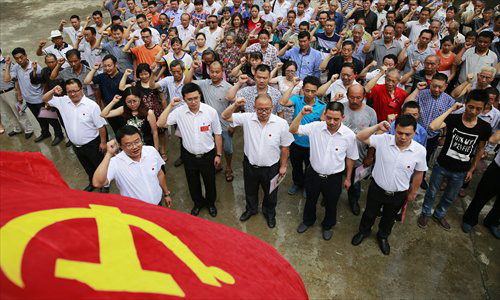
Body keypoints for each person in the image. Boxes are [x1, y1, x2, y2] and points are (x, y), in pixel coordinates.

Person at [352, 115, 427, 255]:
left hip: (398, 194)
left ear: (415, 133)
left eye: (407, 134)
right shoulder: (383, 140)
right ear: (394, 129)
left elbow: (419, 173)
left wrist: (413, 192)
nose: (403, 137)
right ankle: (363, 232)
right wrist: (377, 127)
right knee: (369, 213)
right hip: (377, 189)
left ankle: (382, 236)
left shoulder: (420, 151)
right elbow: (360, 137)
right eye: (399, 133)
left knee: (389, 217)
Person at [418, 90, 492, 231]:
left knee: (449, 197)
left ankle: (439, 215)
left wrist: (472, 169)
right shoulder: (453, 119)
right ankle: (425, 212)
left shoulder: (485, 127)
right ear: (465, 104)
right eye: (471, 107)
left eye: (478, 109)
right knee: (432, 192)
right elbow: (433, 126)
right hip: (442, 165)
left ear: (483, 109)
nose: (473, 111)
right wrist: (452, 109)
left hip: (461, 170)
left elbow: (480, 149)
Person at [221, 94, 293, 228]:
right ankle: (251, 209)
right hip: (250, 165)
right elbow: (225, 116)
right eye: (260, 109)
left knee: (271, 193)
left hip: (272, 167)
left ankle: (269, 213)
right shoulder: (247, 118)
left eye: (267, 109)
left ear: (272, 108)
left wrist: (283, 166)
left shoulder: (281, 123)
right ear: (254, 108)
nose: (264, 112)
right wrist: (236, 105)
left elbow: (285, 147)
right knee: (250, 190)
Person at [291, 101, 359, 241]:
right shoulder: (315, 127)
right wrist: (302, 114)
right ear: (324, 115)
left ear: (342, 118)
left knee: (331, 203)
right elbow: (293, 129)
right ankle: (308, 221)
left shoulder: (349, 135)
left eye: (336, 119)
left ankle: (327, 226)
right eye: (329, 118)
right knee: (310, 199)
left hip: (334, 177)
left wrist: (348, 177)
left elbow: (351, 158)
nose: (331, 122)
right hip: (313, 174)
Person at [157, 83, 222, 217]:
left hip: (208, 155)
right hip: (189, 155)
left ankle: (210, 204)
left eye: (196, 98)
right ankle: (197, 203)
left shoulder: (210, 111)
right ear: (184, 99)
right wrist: (170, 105)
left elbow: (217, 134)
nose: (193, 102)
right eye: (189, 99)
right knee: (192, 182)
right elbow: (160, 123)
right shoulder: (179, 112)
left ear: (200, 96)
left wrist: (218, 154)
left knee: (210, 182)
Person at [42, 79, 107, 192]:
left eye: (75, 91)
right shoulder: (63, 101)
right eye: (69, 92)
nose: (72, 94)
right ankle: (92, 182)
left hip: (92, 144)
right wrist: (53, 90)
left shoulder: (92, 106)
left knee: (99, 166)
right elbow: (44, 99)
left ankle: (104, 184)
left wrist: (103, 142)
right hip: (76, 145)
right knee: (87, 166)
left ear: (81, 89)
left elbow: (101, 127)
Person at [92, 125, 173, 206]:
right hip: (136, 211)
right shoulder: (115, 163)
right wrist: (109, 154)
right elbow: (97, 183)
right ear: (120, 145)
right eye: (128, 145)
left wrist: (166, 194)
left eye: (137, 141)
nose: (135, 147)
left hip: (158, 204)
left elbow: (159, 173)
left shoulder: (151, 151)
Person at [184, 59, 234, 180]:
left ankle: (228, 167)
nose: (214, 74)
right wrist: (192, 68)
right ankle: (217, 164)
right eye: (212, 72)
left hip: (224, 125)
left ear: (222, 72)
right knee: (212, 147)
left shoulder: (229, 87)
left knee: (228, 148)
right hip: (207, 125)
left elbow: (234, 107)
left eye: (217, 72)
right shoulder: (204, 84)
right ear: (208, 71)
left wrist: (232, 124)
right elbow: (187, 82)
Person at [404, 73, 455, 189]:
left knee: (425, 159)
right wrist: (417, 89)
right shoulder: (421, 94)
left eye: (440, 87)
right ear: (430, 84)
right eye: (434, 86)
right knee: (409, 157)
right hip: (416, 134)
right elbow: (406, 104)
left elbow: (449, 120)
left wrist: (444, 136)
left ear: (446, 86)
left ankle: (420, 178)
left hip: (433, 137)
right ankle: (407, 178)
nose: (436, 89)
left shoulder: (449, 101)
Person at [4, 48, 64, 144]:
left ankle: (59, 135)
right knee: (40, 119)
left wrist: (46, 99)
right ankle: (45, 133)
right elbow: (8, 80)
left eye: (21, 57)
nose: (20, 60)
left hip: (40, 99)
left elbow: (44, 83)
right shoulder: (16, 67)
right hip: (29, 100)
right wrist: (7, 65)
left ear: (26, 56)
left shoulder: (36, 67)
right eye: (17, 58)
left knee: (51, 119)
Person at [280, 76, 326, 196]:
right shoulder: (297, 99)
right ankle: (297, 183)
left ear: (317, 91)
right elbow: (283, 102)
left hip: (312, 144)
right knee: (296, 166)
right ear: (303, 89)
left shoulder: (322, 106)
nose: (310, 94)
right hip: (295, 142)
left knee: (310, 168)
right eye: (307, 90)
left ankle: (307, 186)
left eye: (313, 91)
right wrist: (293, 85)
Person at [342, 84, 377, 215]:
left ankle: (353, 200)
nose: (355, 101)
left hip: (359, 156)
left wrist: (370, 156)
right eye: (352, 97)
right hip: (338, 154)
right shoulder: (341, 108)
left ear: (364, 97)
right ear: (347, 96)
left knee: (355, 182)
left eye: (358, 98)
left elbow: (374, 138)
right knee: (334, 178)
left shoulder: (370, 112)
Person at [461, 128, 499, 239]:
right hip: (497, 168)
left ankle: (492, 221)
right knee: (483, 194)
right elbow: (492, 139)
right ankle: (470, 219)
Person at [84, 54, 131, 133]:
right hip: (109, 111)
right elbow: (87, 81)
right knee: (117, 133)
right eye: (105, 66)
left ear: (116, 64)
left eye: (109, 65)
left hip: (123, 111)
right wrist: (94, 69)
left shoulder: (123, 76)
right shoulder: (102, 76)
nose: (107, 68)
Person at [0, 48, 33, 139]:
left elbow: (16, 80)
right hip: (0, 93)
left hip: (10, 91)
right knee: (8, 112)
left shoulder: (9, 64)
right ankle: (17, 128)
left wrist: (19, 93)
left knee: (19, 111)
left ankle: (28, 129)